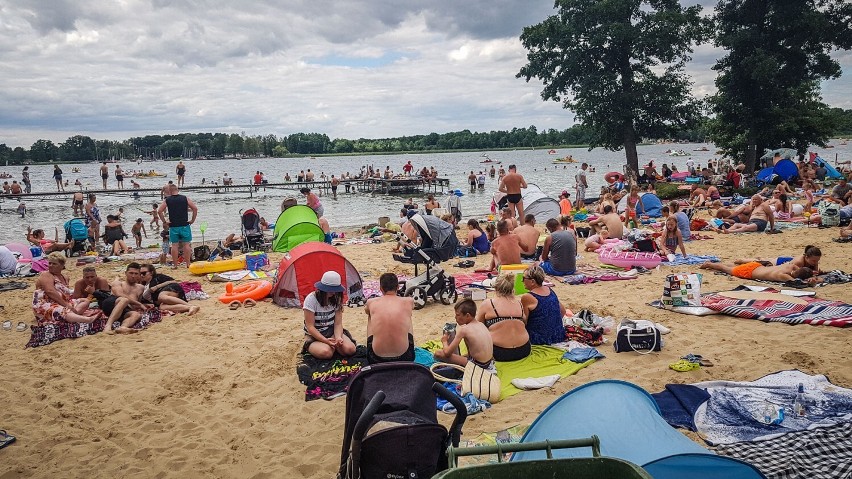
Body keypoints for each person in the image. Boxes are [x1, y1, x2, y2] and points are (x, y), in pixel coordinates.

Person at [32, 253, 99, 325]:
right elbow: (50, 291)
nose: (50, 265)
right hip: (46, 303)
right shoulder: (46, 274)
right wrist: (67, 305)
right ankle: (87, 319)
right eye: (50, 263)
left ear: (62, 266)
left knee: (85, 301)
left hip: (61, 302)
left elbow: (66, 293)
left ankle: (73, 316)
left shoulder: (65, 277)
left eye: (54, 264)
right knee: (61, 309)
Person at [476, 274, 531, 362]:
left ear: (496, 288)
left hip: (499, 352)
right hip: (524, 350)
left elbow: (477, 327)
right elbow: (524, 322)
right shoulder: (518, 303)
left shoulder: (488, 303)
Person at [364, 273, 415, 363]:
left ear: (381, 288)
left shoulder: (371, 302)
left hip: (375, 358)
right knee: (407, 314)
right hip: (406, 357)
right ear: (398, 287)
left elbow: (366, 310)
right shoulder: (408, 301)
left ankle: (370, 344)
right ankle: (409, 343)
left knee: (370, 315)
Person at [433, 299, 495, 372]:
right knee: (463, 356)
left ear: (467, 315)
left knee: (438, 353)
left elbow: (447, 353)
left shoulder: (464, 330)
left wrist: (444, 341)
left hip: (478, 365)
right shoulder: (481, 324)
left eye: (458, 315)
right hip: (488, 362)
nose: (455, 317)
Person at [520, 265, 567, 345]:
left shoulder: (528, 297)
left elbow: (524, 322)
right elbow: (563, 311)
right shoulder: (549, 290)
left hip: (539, 339)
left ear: (532, 282)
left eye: (524, 278)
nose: (522, 281)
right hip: (558, 335)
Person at [157, 184, 198, 269]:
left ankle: (175, 265)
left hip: (173, 225)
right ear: (177, 190)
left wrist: (165, 221)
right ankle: (188, 264)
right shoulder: (184, 198)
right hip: (184, 224)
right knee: (186, 244)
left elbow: (159, 211)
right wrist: (192, 220)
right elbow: (195, 208)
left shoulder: (168, 200)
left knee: (174, 245)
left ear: (169, 191)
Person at [102, 263, 148, 333]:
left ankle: (123, 327)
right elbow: (119, 294)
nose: (133, 276)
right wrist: (139, 304)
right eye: (131, 273)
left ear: (139, 275)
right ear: (126, 273)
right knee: (124, 300)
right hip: (111, 304)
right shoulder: (118, 283)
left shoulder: (141, 288)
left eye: (136, 274)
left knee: (136, 314)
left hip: (124, 310)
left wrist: (142, 305)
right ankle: (108, 325)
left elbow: (135, 306)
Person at [700, 260, 816, 284]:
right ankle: (709, 264)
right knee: (726, 269)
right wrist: (810, 282)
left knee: (733, 267)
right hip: (749, 272)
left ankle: (722, 263)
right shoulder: (784, 276)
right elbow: (797, 283)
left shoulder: (791, 267)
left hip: (756, 266)